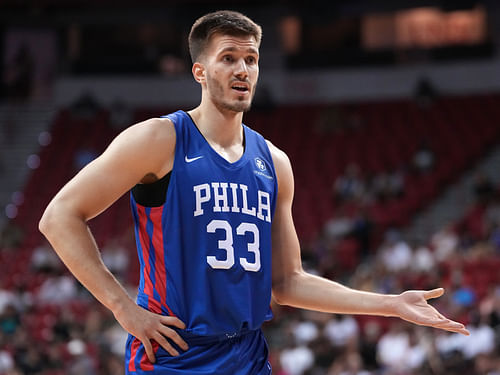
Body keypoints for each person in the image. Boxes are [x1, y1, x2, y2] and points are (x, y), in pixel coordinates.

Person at [39, 10, 469, 375]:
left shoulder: (275, 162)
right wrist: (122, 307)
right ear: (200, 72)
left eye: (251, 59)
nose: (243, 70)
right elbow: (59, 216)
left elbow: (287, 282)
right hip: (171, 354)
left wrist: (390, 304)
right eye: (229, 58)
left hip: (246, 355)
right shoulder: (159, 140)